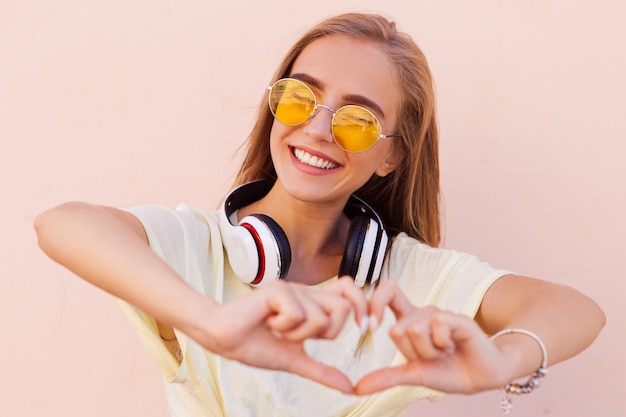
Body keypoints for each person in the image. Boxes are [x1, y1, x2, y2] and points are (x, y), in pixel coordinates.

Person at [34, 12, 605, 417]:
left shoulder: (409, 282)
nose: (316, 128)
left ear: (391, 155)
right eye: (299, 97)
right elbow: (61, 223)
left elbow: (575, 309)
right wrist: (211, 322)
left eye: (357, 118)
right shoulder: (200, 247)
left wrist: (505, 361)